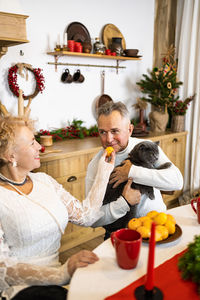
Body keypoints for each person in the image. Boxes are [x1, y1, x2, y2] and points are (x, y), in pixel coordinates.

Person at [0, 115, 116, 300]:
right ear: (9, 155)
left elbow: (87, 216)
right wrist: (61, 274)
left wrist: (104, 171)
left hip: (60, 279)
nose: (39, 147)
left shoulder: (45, 181)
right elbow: (2, 268)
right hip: (20, 290)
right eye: (31, 143)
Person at [86, 101, 183, 230]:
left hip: (159, 226)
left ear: (130, 130)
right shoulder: (95, 165)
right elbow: (90, 218)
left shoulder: (147, 147)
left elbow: (177, 182)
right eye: (103, 132)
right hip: (121, 234)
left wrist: (131, 172)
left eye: (115, 131)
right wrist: (123, 203)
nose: (108, 139)